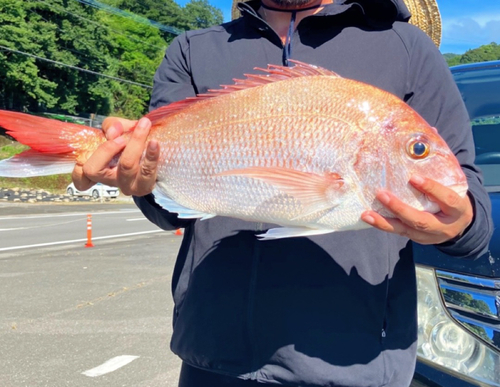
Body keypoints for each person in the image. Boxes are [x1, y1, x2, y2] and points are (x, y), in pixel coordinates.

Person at [72, 0, 493, 386]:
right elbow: (169, 210)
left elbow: (472, 215)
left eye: (416, 149)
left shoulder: (408, 48)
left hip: (357, 364)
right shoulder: (191, 50)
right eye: (416, 149)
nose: (418, 153)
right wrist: (139, 182)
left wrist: (460, 223)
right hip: (213, 354)